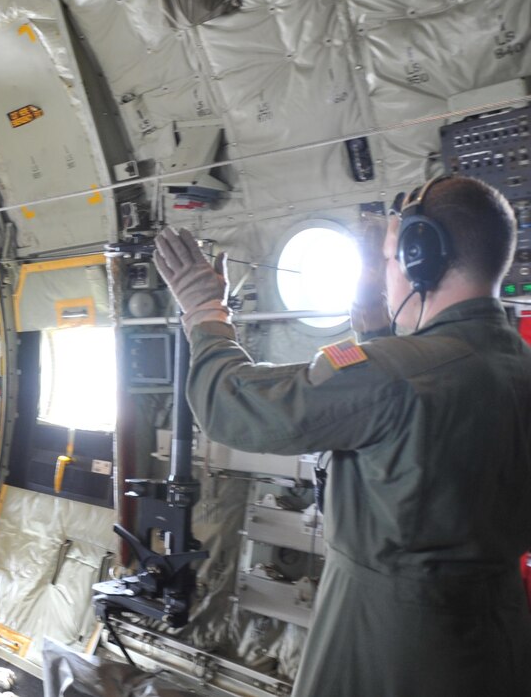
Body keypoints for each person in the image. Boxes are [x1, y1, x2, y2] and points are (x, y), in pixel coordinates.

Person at [153, 174, 531, 697]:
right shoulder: (515, 365)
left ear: (426, 260)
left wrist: (204, 311)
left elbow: (231, 405)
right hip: (497, 639)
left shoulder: (394, 371)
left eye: (393, 258)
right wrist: (377, 335)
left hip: (385, 644)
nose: (387, 273)